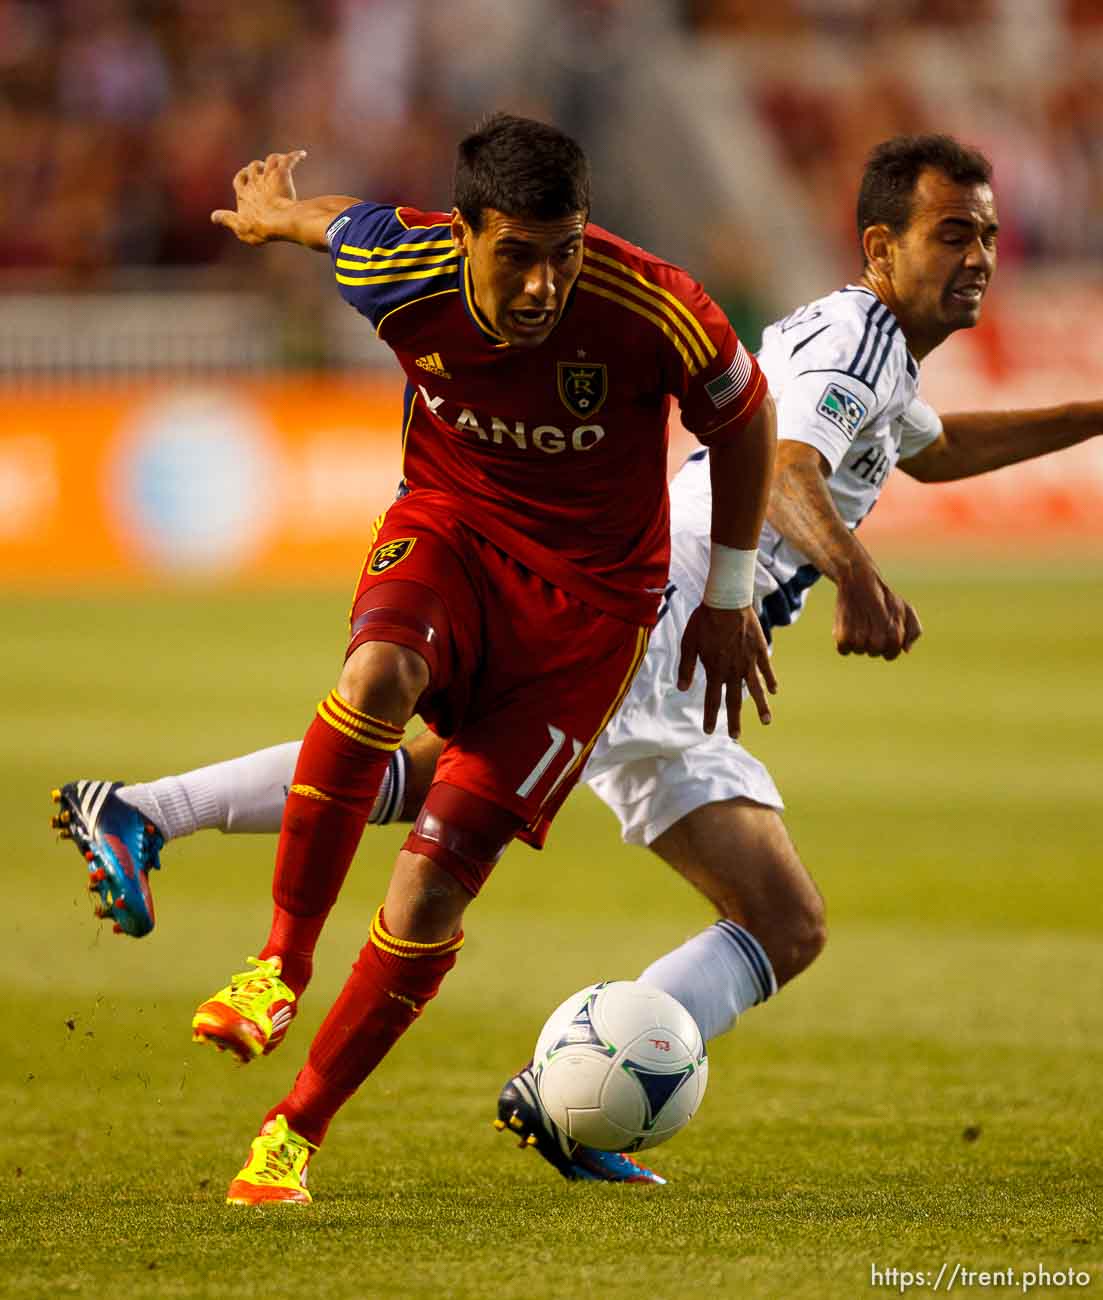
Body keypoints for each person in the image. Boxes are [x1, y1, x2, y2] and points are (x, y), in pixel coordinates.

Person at [54, 132, 1103, 1190]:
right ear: (881, 249)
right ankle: (157, 819)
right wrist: (856, 577)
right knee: (431, 774)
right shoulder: (856, 342)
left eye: (987, 238)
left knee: (780, 921)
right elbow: (783, 463)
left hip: (686, 659)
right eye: (951, 235)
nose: (977, 257)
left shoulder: (874, 354)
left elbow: (936, 449)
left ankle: (562, 1093)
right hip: (667, 607)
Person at [54, 113, 779, 1206]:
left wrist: (725, 597)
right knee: (376, 678)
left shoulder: (652, 303)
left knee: (433, 884)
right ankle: (277, 966)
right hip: (451, 528)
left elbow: (745, 415)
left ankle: (293, 1131)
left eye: (564, 251)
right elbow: (324, 222)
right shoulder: (401, 262)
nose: (542, 285)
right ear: (465, 235)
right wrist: (269, 215)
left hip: (589, 613)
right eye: (516, 255)